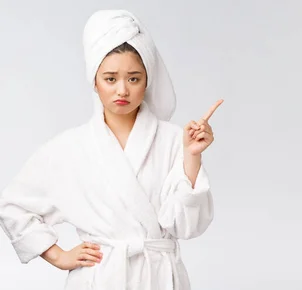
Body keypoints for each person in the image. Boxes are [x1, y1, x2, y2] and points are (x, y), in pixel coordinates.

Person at [0, 9, 221, 290]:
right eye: (110, 78)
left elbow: (188, 227)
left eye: (133, 78)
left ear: (147, 81)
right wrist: (57, 255)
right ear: (94, 81)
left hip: (160, 278)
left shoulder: (174, 140)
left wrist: (192, 155)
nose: (122, 91)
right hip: (99, 278)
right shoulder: (70, 148)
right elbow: (13, 205)